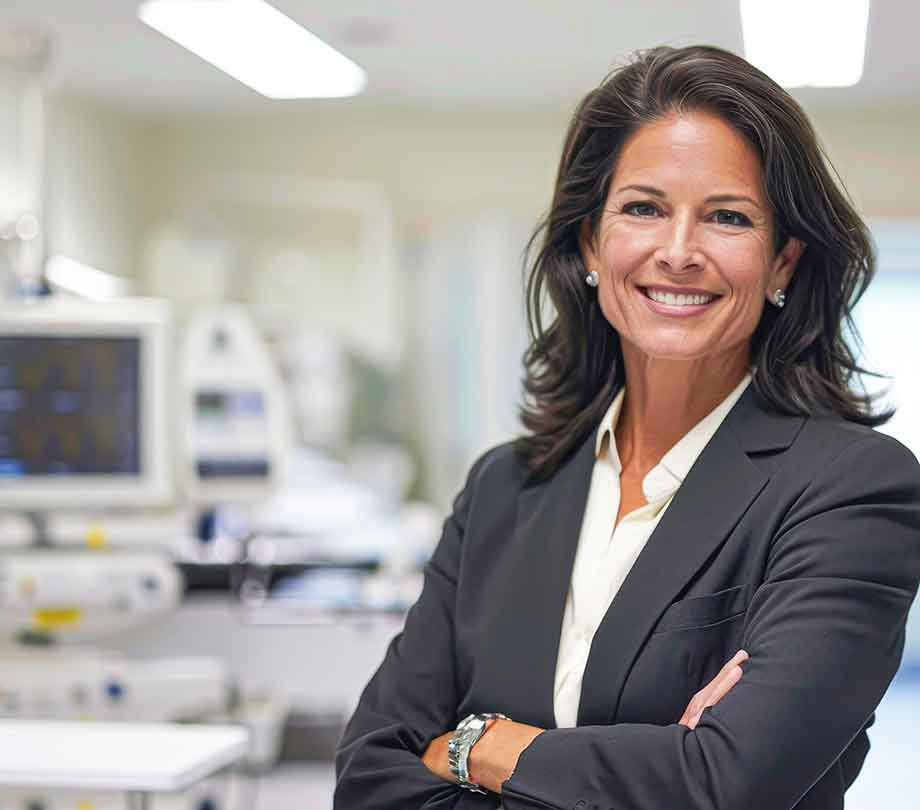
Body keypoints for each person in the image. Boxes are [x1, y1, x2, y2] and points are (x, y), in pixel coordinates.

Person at [334, 44, 920, 810]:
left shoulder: (852, 489)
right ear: (589, 243)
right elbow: (371, 774)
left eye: (728, 217)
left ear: (781, 264)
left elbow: (724, 784)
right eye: (643, 208)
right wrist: (654, 764)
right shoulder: (505, 488)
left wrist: (475, 744)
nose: (678, 252)